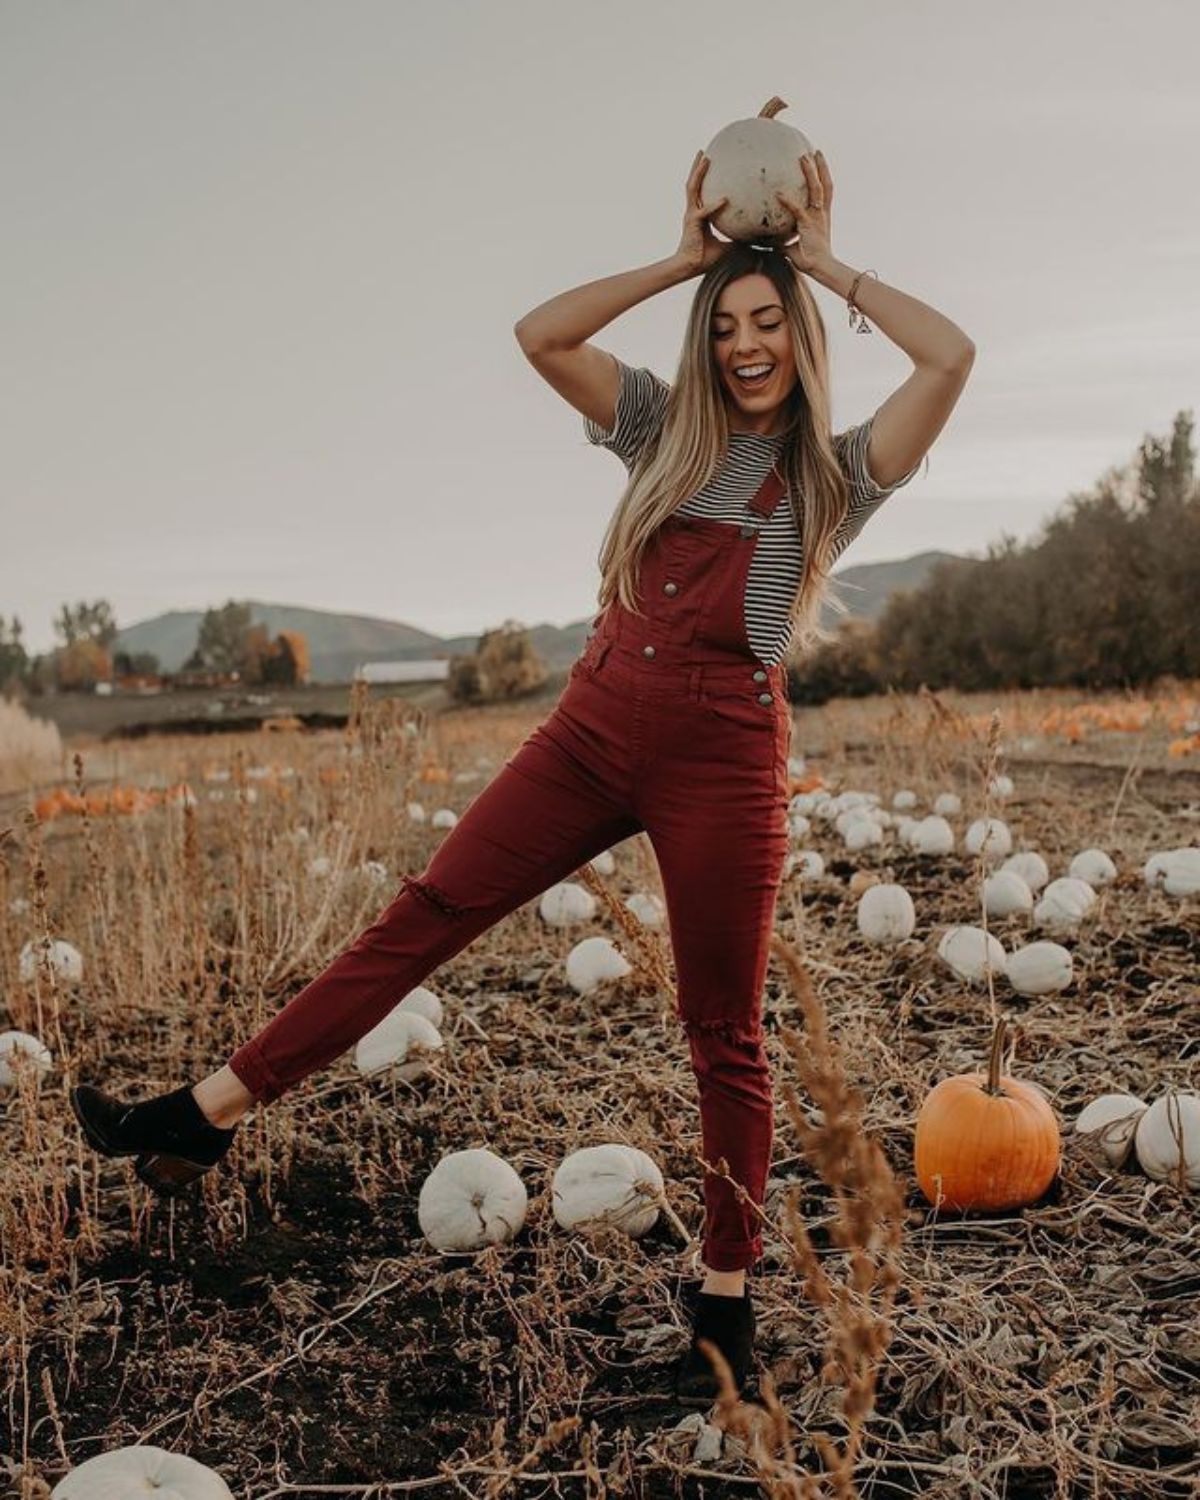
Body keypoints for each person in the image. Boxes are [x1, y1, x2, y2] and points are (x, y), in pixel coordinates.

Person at [71, 147, 974, 1406]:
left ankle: (726, 1313)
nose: (747, 343)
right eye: (728, 325)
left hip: (724, 755)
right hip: (595, 720)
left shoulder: (833, 476)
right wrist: (684, 260)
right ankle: (208, 1112)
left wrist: (816, 256)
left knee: (724, 1033)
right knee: (427, 912)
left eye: (770, 323)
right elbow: (540, 333)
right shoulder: (660, 425)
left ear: (802, 335)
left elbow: (950, 358)